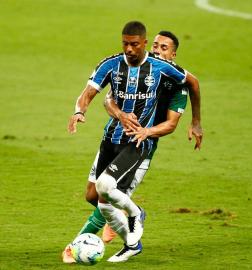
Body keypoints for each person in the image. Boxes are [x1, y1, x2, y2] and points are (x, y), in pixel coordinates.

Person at [66, 21, 202, 263]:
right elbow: (107, 99)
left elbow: (171, 123)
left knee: (106, 194)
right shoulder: (120, 68)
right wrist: (85, 112)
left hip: (141, 144)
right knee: (93, 196)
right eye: (157, 46)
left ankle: (82, 244)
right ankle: (127, 229)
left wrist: (193, 122)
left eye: (165, 47)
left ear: (173, 54)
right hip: (112, 137)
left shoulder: (172, 82)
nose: (159, 51)